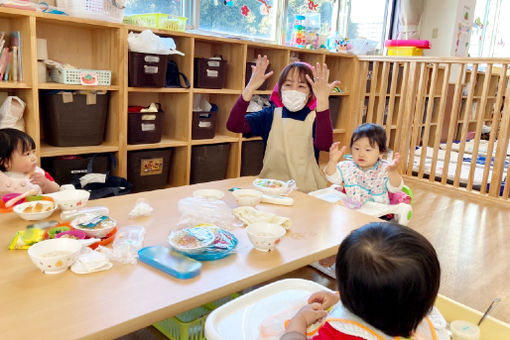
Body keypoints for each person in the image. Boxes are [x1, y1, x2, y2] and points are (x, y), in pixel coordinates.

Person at [282, 222, 441, 340]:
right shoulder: (412, 310)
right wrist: (337, 299)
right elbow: (382, 303)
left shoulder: (341, 334)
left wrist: (299, 321)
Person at [227, 55, 340, 193]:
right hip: (271, 186)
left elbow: (325, 145)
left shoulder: (316, 118)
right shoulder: (270, 115)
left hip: (305, 190)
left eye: (301, 86)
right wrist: (250, 88)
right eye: (288, 85)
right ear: (280, 89)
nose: (294, 90)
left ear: (311, 93)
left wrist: (322, 101)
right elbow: (233, 125)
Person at [324, 123, 411, 225]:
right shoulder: (347, 166)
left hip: (378, 215)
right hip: (352, 211)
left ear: (381, 152)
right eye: (356, 148)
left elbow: (395, 188)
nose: (361, 154)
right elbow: (332, 177)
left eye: (368, 150)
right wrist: (333, 161)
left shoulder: (385, 168)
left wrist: (393, 172)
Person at [0, 128, 59, 196]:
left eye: (33, 152)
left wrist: (45, 184)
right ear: (6, 162)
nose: (34, 158)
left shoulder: (38, 173)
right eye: (27, 154)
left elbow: (57, 191)